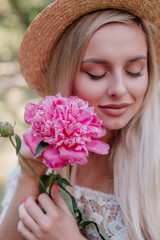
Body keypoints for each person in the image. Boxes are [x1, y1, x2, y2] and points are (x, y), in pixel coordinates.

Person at [0, 0, 160, 239]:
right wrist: (27, 175)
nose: (120, 89)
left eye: (135, 70)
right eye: (96, 74)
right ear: (66, 76)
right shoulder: (41, 157)